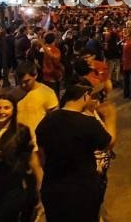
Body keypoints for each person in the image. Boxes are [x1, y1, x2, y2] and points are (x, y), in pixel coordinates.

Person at [36, 83, 116, 222]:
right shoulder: (88, 123)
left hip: (53, 189)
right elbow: (108, 143)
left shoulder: (45, 122)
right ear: (85, 96)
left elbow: (42, 158)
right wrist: (110, 118)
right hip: (82, 191)